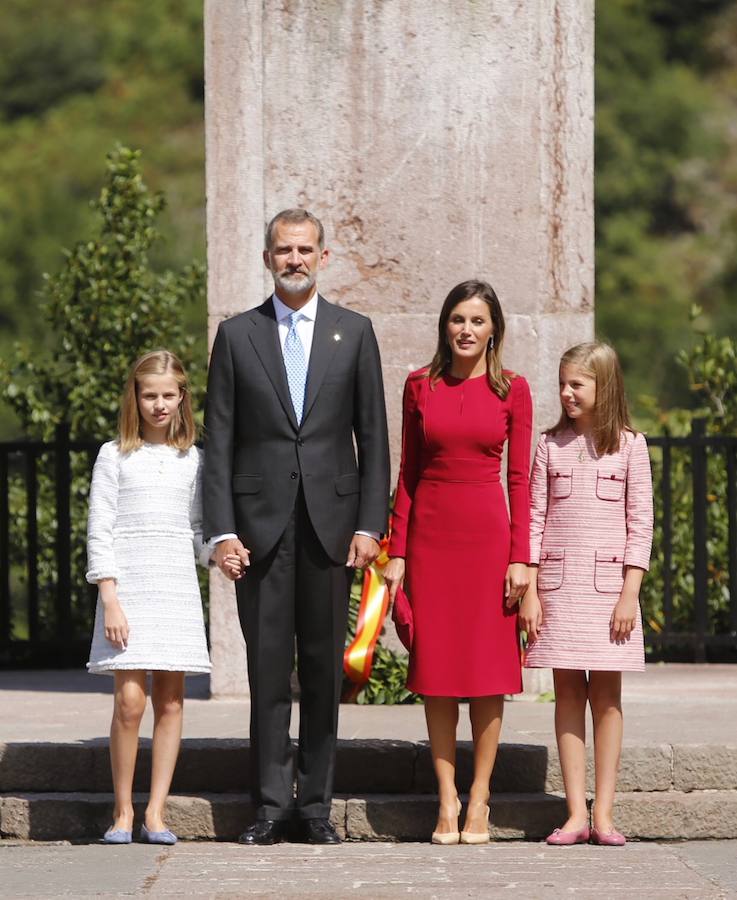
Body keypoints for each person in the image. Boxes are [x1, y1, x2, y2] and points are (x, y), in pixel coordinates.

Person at [203, 208, 390, 845]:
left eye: (306, 249)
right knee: (266, 672)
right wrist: (221, 532)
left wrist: (371, 523)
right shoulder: (236, 336)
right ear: (267, 258)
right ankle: (271, 805)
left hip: (332, 529)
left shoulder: (354, 332)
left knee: (321, 671)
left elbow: (375, 437)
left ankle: (315, 807)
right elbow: (219, 441)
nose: (295, 260)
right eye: (284, 250)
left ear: (324, 257)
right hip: (257, 533)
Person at [383, 279, 532, 845]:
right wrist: (397, 550)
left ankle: (480, 799)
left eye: (477, 320)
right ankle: (446, 800)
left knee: (489, 674)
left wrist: (522, 559)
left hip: (488, 537)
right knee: (439, 673)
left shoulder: (513, 389)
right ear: (444, 326)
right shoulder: (419, 385)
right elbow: (408, 474)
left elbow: (519, 479)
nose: (466, 330)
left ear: (494, 328)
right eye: (457, 320)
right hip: (431, 539)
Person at [86, 350, 229, 845]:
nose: (160, 404)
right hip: (129, 587)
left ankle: (156, 813)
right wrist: (110, 597)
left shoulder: (194, 458)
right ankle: (122, 810)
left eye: (169, 394)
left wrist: (220, 554)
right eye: (150, 395)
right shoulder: (113, 455)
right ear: (136, 397)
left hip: (174, 586)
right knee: (129, 700)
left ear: (183, 397)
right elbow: (99, 529)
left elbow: (195, 530)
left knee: (170, 700)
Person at [519, 341, 653, 847]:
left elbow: (641, 525)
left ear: (605, 385)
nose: (567, 392)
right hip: (558, 588)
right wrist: (530, 588)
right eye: (563, 383)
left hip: (609, 593)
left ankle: (605, 814)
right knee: (568, 693)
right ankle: (575, 813)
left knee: (608, 698)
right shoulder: (549, 445)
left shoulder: (631, 446)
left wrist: (629, 593)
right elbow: (533, 520)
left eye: (577, 383)